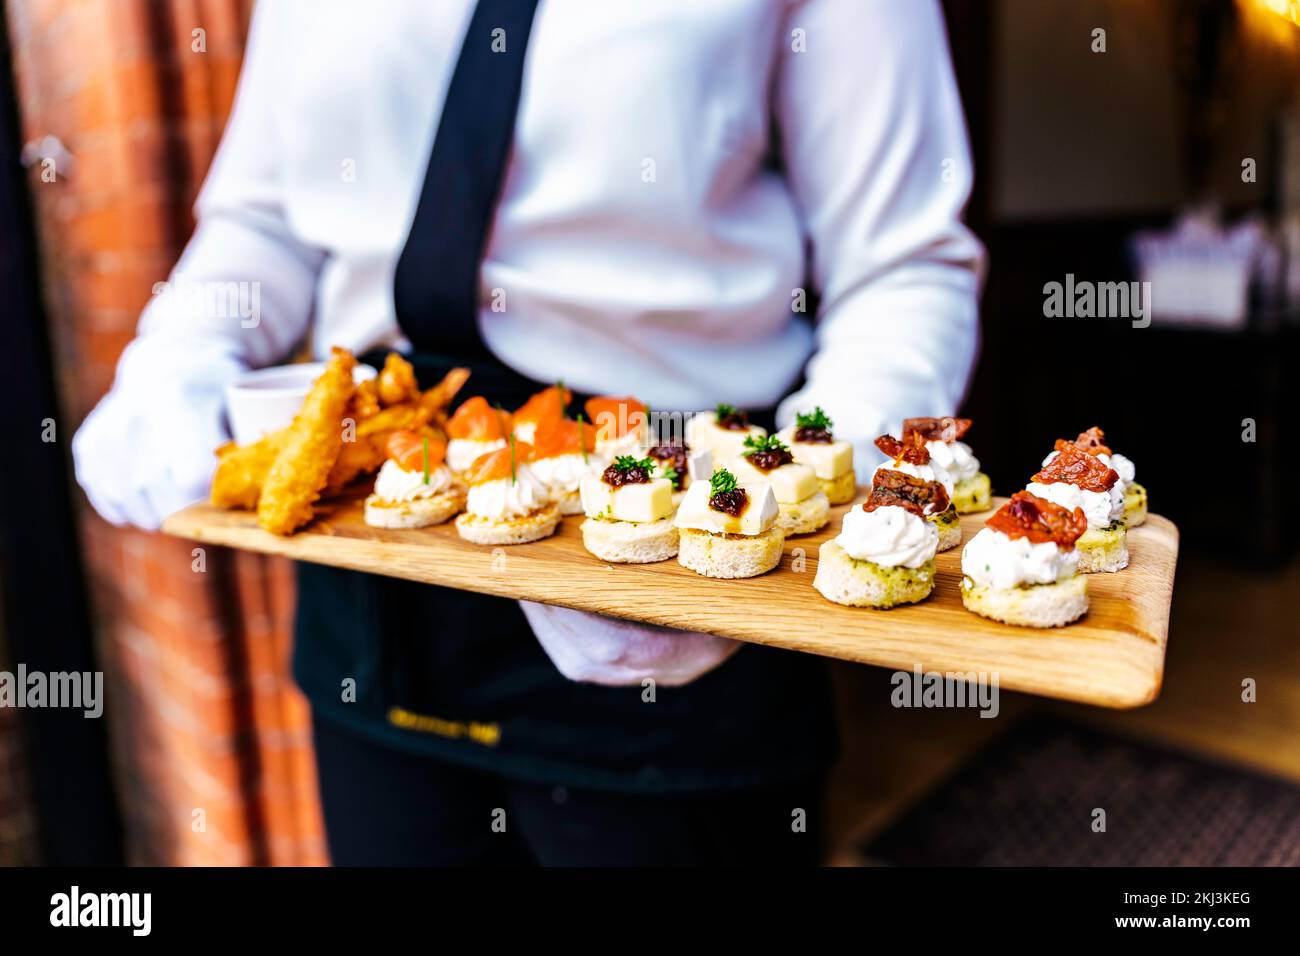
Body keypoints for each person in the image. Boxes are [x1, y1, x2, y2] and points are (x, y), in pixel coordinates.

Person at [73, 0, 983, 865]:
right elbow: (267, 219)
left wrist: (789, 521)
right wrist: (179, 353)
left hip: (687, 551)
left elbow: (903, 264)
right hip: (376, 571)